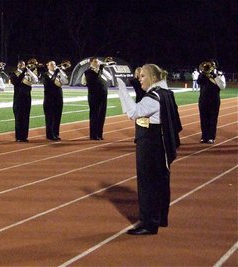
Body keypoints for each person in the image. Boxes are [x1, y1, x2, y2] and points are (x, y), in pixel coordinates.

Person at [117, 64, 182, 235]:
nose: (140, 79)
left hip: (150, 143)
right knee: (160, 182)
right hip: (160, 143)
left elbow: (133, 112)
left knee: (147, 183)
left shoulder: (153, 98)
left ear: (153, 78)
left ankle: (148, 223)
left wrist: (122, 89)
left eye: (143, 76)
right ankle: (160, 217)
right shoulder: (165, 92)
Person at [81, 57, 112, 140]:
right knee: (95, 116)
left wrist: (103, 69)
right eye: (95, 61)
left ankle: (100, 134)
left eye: (98, 61)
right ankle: (93, 135)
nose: (97, 63)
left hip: (103, 96)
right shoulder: (88, 72)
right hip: (94, 97)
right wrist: (100, 69)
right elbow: (94, 81)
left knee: (102, 115)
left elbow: (110, 78)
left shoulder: (101, 71)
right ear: (91, 62)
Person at [197, 61, 226, 144]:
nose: (211, 66)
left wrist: (215, 77)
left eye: (213, 64)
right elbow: (199, 82)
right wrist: (202, 74)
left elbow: (222, 87)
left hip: (214, 100)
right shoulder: (203, 74)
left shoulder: (220, 74)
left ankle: (211, 137)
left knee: (213, 119)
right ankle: (204, 136)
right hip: (203, 99)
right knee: (203, 118)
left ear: (216, 66)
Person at [10, 60, 38, 142]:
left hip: (27, 98)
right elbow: (16, 82)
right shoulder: (13, 74)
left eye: (23, 64)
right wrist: (24, 72)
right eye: (21, 64)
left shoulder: (28, 73)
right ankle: (18, 137)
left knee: (26, 117)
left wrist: (29, 71)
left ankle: (25, 136)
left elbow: (35, 80)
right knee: (19, 118)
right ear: (18, 65)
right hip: (18, 98)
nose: (22, 66)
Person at [42, 61, 68, 141]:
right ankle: (50, 135)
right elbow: (49, 84)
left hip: (59, 98)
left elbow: (66, 81)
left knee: (57, 117)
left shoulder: (58, 74)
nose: (54, 66)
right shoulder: (45, 75)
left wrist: (61, 72)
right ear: (48, 66)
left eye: (54, 64)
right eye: (52, 65)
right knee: (50, 118)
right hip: (49, 99)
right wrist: (56, 73)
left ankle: (56, 134)